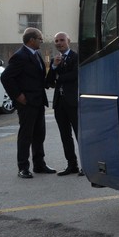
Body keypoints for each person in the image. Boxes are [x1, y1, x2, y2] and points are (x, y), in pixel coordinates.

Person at [0, 28, 53, 178]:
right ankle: (23, 167)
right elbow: (6, 77)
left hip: (38, 101)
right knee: (26, 136)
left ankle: (39, 164)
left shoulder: (36, 54)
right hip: (27, 103)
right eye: (39, 39)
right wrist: (18, 96)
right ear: (31, 40)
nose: (41, 41)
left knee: (39, 134)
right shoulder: (20, 56)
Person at [45, 32, 82, 176]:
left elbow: (75, 75)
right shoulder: (55, 59)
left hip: (72, 102)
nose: (59, 43)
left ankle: (85, 166)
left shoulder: (76, 57)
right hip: (59, 103)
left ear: (68, 41)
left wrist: (59, 79)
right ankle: (71, 165)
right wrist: (53, 67)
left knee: (79, 134)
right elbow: (48, 81)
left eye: (62, 40)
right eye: (56, 41)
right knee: (65, 136)